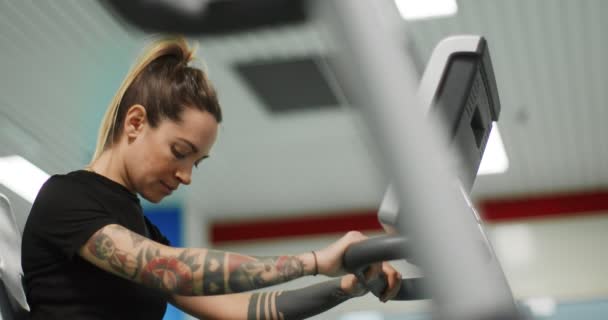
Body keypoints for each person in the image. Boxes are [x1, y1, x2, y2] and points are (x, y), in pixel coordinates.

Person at [21, 36, 402, 320]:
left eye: (196, 163)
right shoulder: (66, 199)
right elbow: (175, 270)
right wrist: (316, 260)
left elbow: (248, 311)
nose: (186, 176)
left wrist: (347, 287)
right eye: (180, 152)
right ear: (135, 123)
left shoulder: (142, 229)